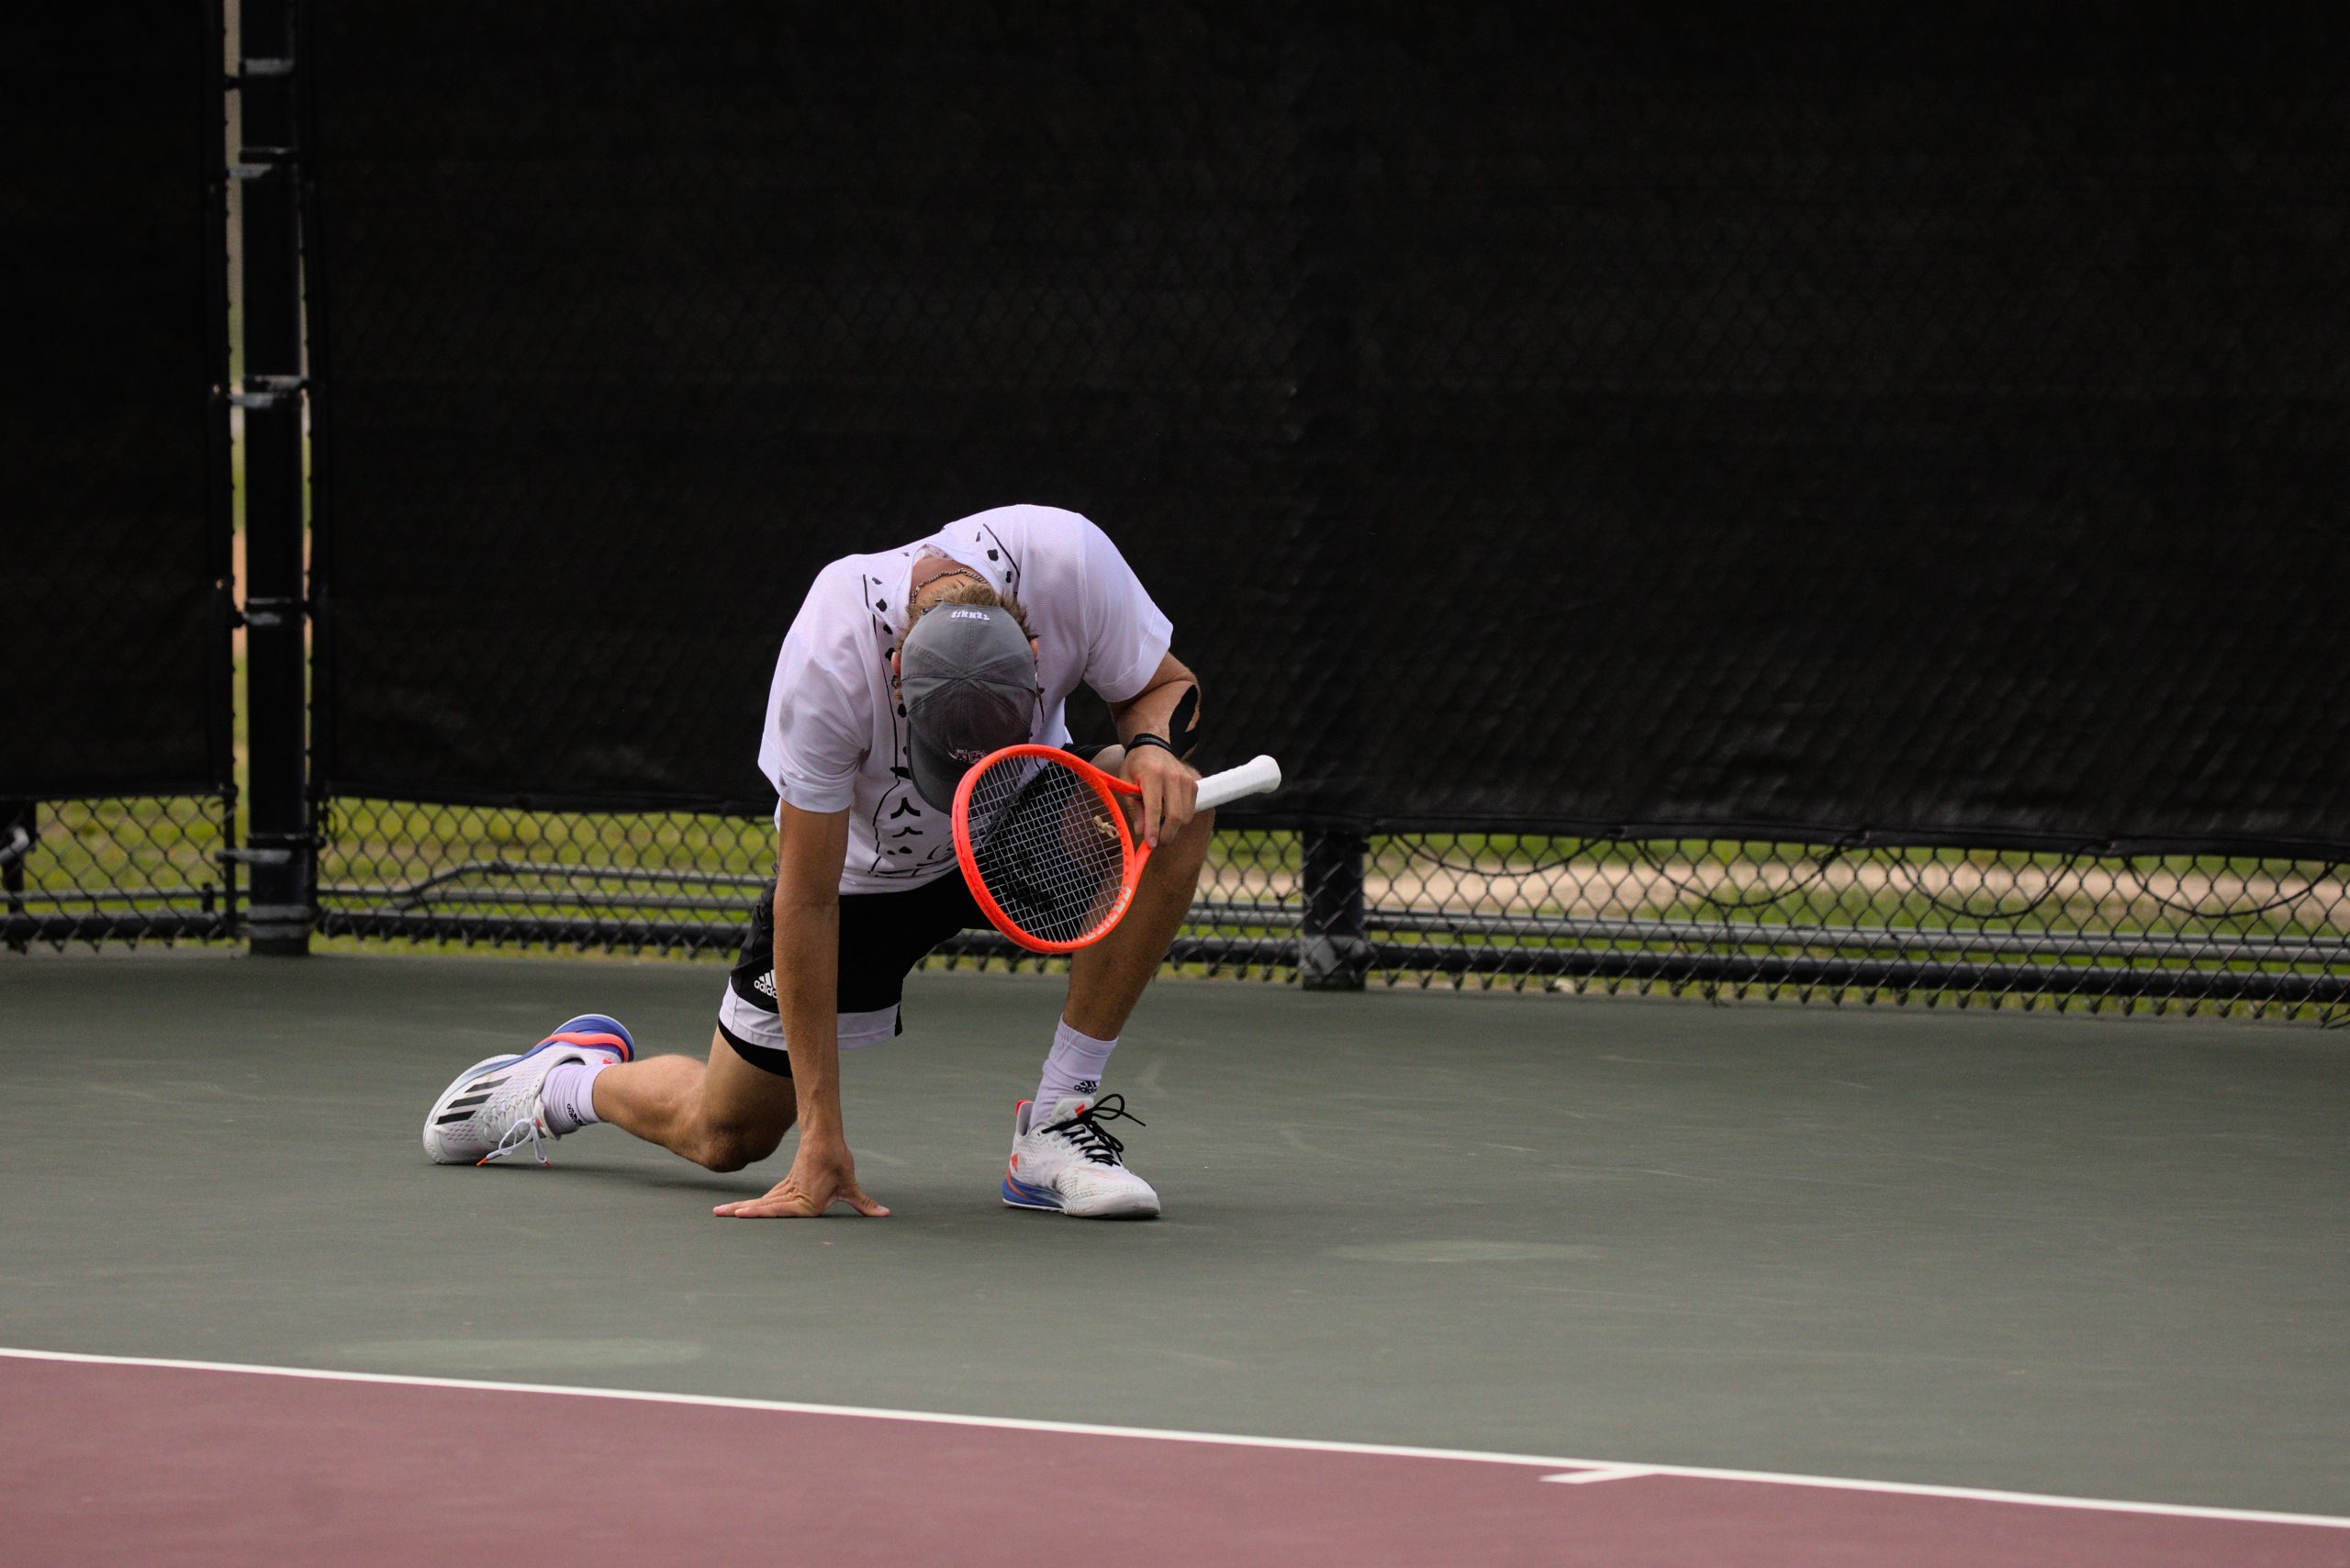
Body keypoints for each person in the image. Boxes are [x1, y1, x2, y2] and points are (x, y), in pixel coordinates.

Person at [420, 504, 1210, 1220]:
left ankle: (1055, 1130)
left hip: (1020, 811)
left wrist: (1151, 748)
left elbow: (1163, 683)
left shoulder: (1069, 560)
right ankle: (562, 1081)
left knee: (1178, 814)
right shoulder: (829, 657)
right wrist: (820, 1137)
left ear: (1036, 652)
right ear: (896, 670)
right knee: (726, 1134)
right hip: (862, 881)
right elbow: (808, 900)